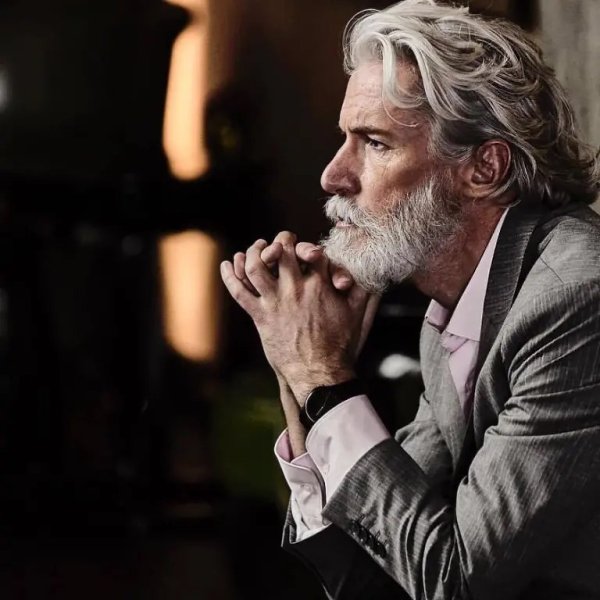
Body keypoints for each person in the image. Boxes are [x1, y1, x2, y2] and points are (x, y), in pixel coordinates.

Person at [220, 0, 600, 598]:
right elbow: (374, 573)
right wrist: (296, 364)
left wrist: (323, 376)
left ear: (483, 168)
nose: (332, 176)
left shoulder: (575, 299)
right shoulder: (453, 307)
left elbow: (454, 579)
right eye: (345, 139)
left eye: (374, 143)